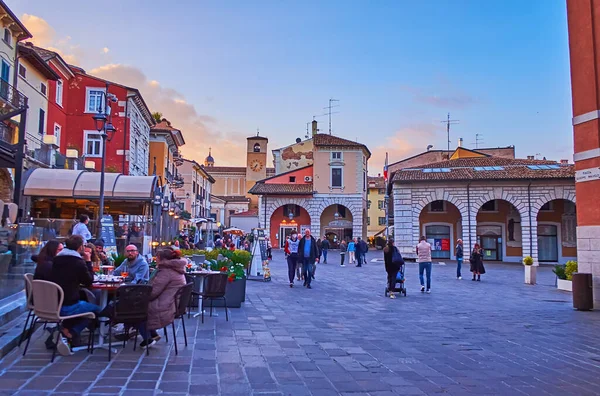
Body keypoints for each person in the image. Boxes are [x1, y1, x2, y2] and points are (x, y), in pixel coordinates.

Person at [50, 235, 100, 355]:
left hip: (54, 303)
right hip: (68, 305)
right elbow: (89, 281)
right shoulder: (78, 262)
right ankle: (70, 333)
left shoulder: (56, 260)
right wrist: (88, 261)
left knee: (84, 305)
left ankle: (66, 331)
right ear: (80, 247)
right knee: (97, 310)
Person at [137, 247, 187, 348]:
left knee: (135, 308)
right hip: (172, 303)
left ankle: (147, 339)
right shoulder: (176, 268)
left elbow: (153, 292)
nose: (155, 259)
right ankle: (152, 333)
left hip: (165, 306)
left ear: (161, 259)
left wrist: (139, 296)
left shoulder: (166, 272)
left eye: (157, 257)